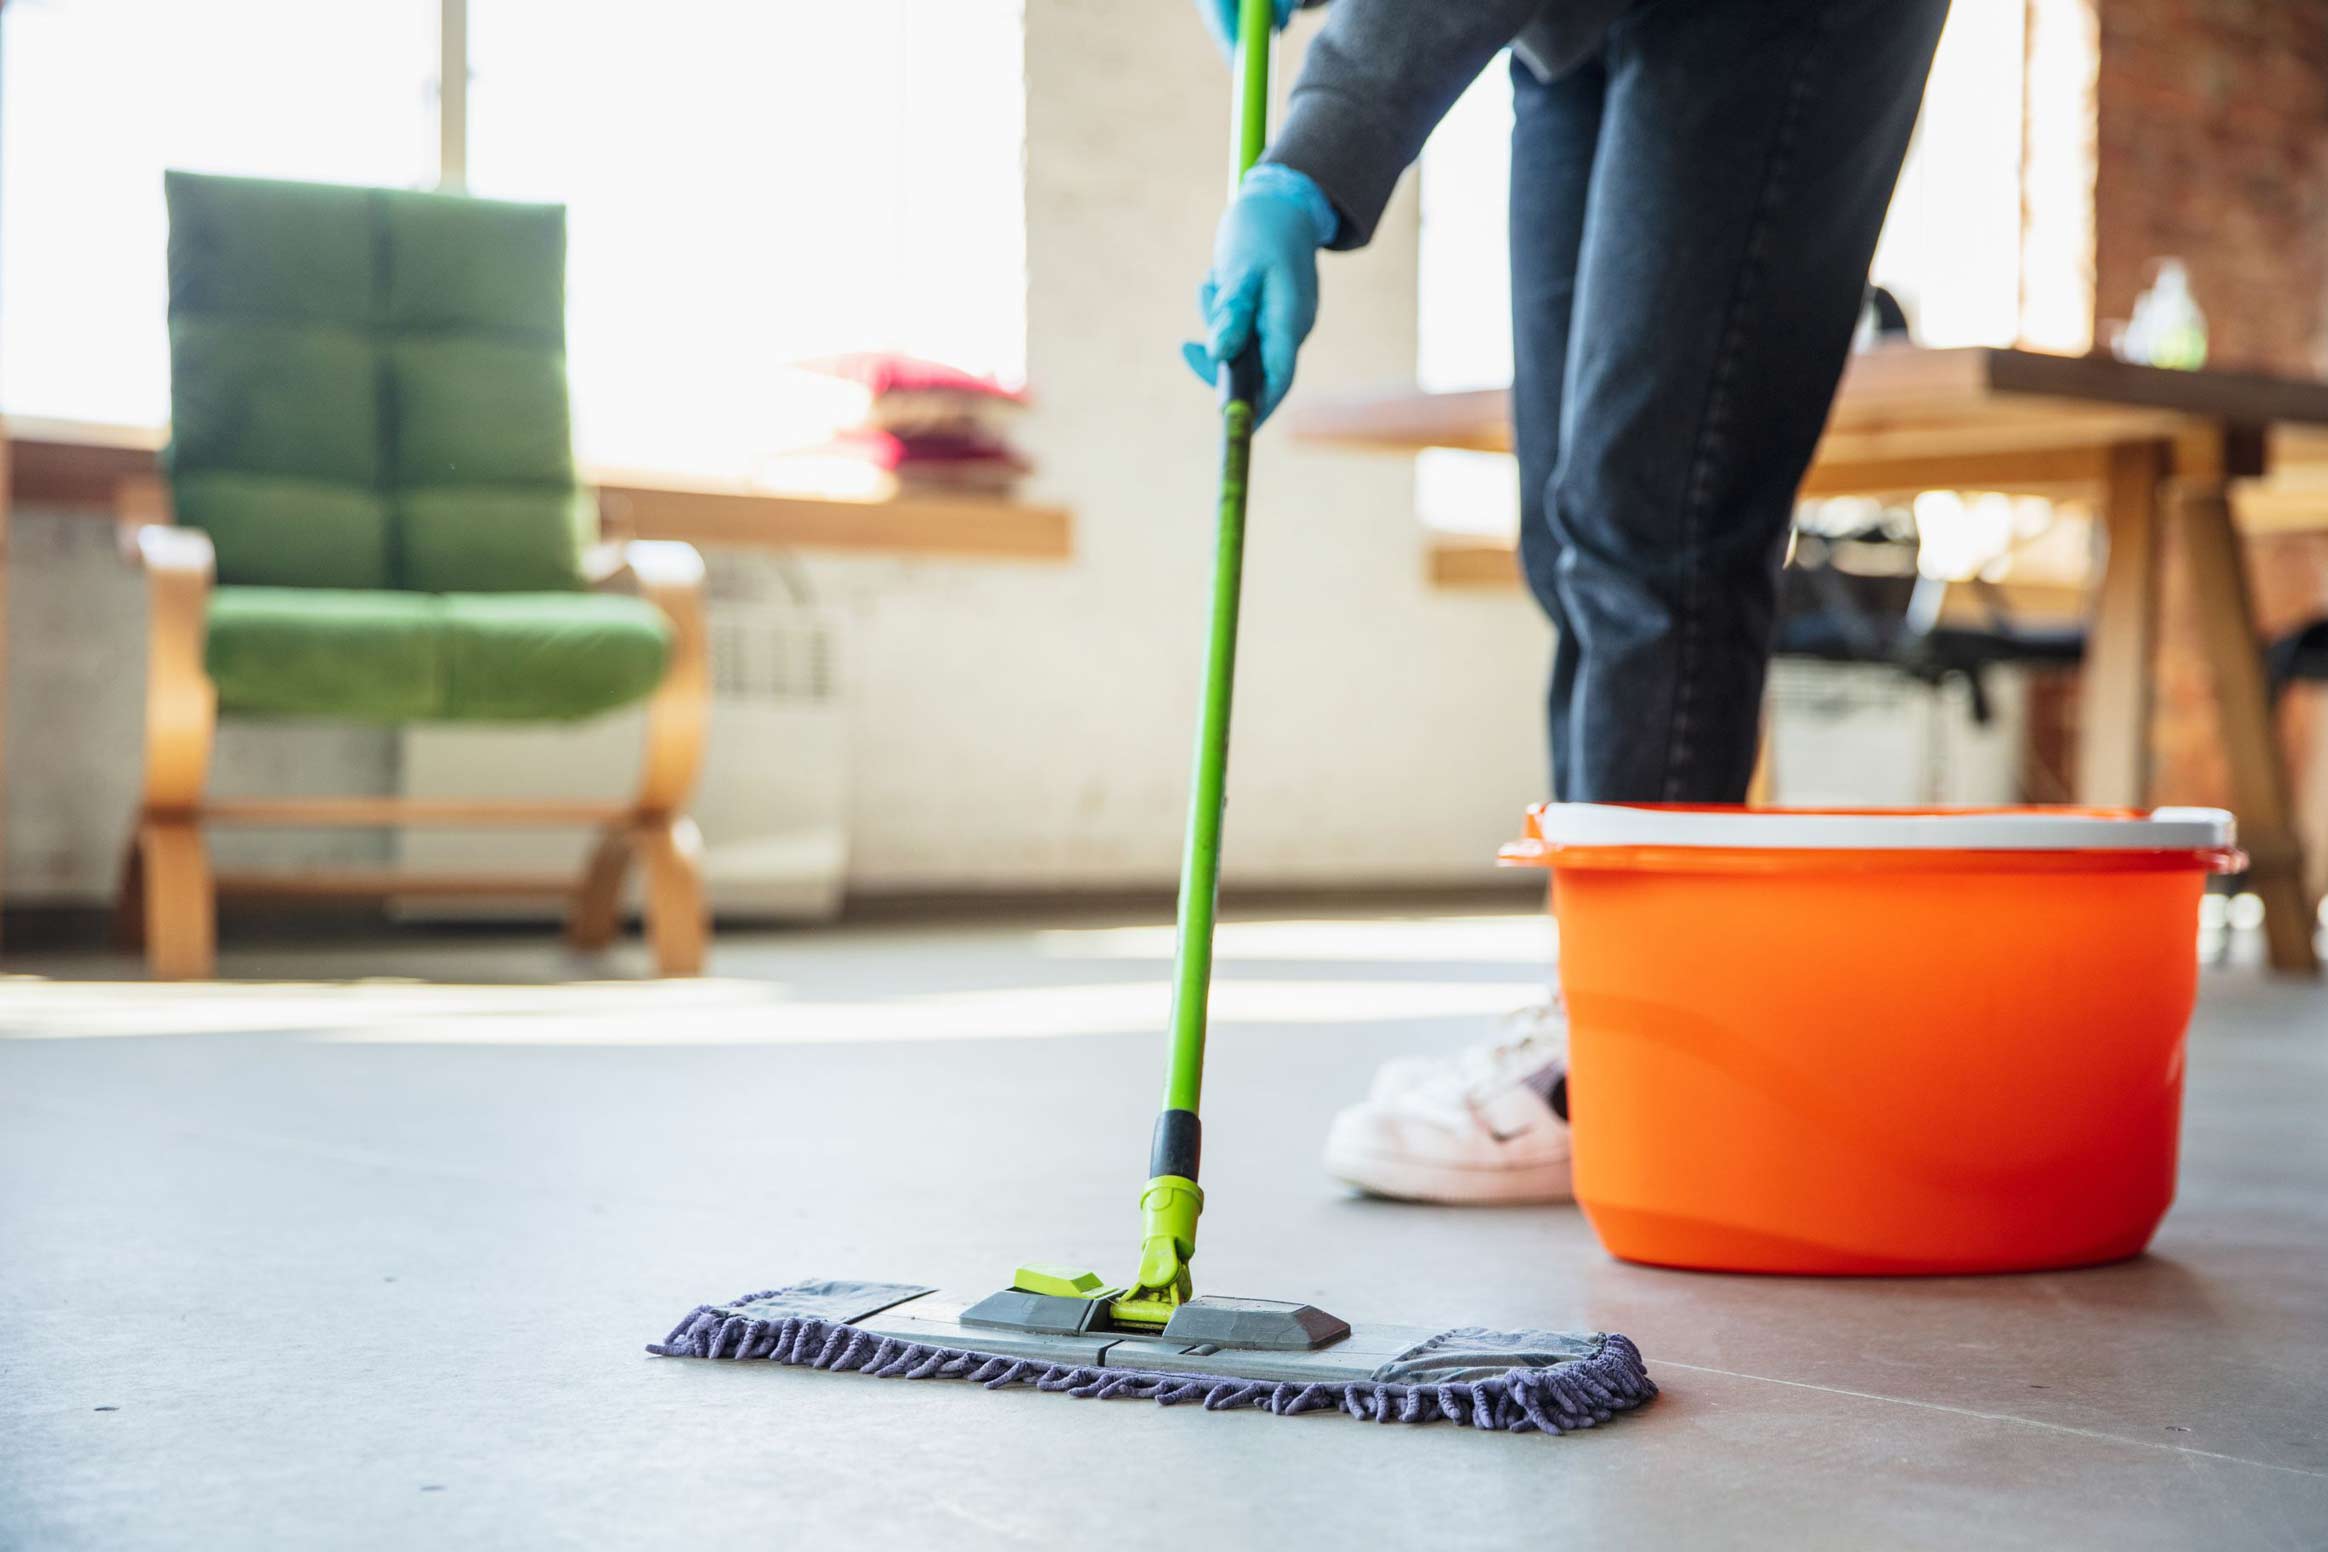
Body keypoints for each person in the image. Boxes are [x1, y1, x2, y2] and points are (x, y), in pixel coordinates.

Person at [1184, 0, 1951, 1202]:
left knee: (1655, 514)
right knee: (1566, 519)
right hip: (1576, 30)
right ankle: (1597, 992)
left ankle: (1639, 1048)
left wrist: (1309, 161)